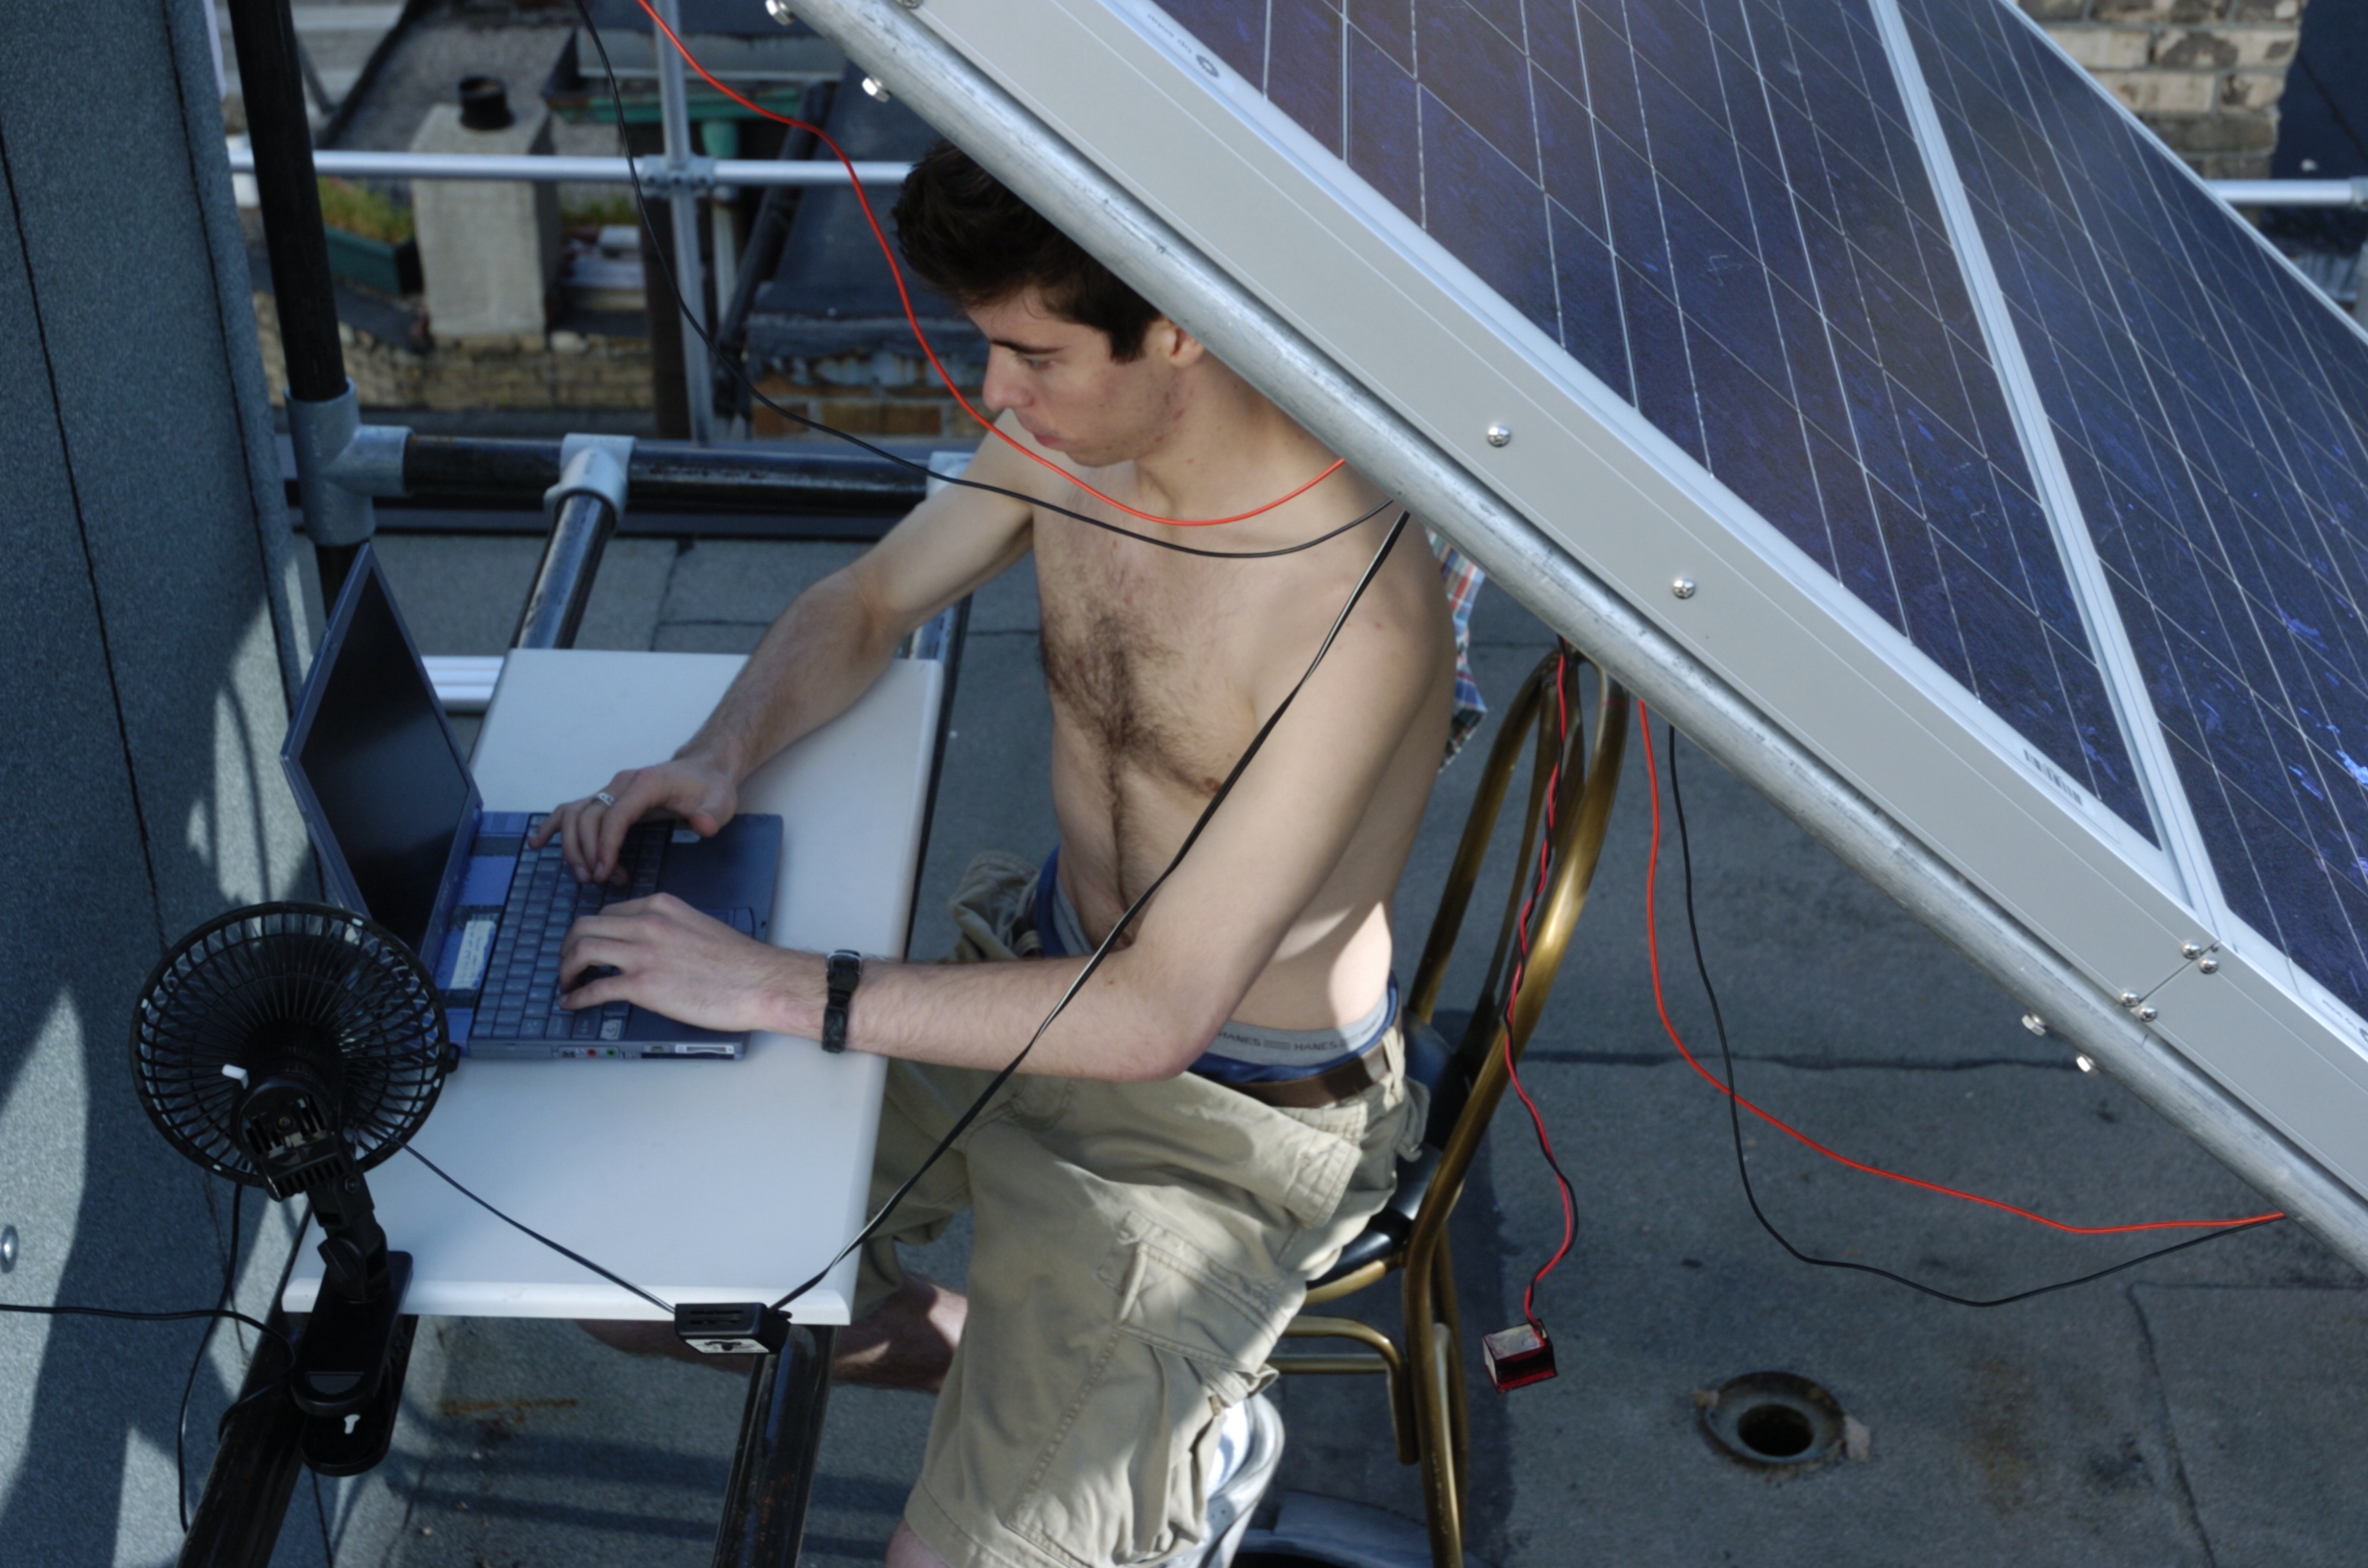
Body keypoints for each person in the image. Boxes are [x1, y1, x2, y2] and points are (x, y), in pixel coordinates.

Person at [547, 142, 1458, 1568]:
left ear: (1178, 328)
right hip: (1038, 965)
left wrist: (774, 985)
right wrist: (721, 751)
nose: (999, 394)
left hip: (1219, 1125)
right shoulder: (1075, 435)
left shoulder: (1357, 608)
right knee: (620, 1277)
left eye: (1033, 355)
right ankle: (1016, 1369)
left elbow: (1160, 1012)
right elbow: (867, 602)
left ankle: (1150, 1426)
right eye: (990, 347)